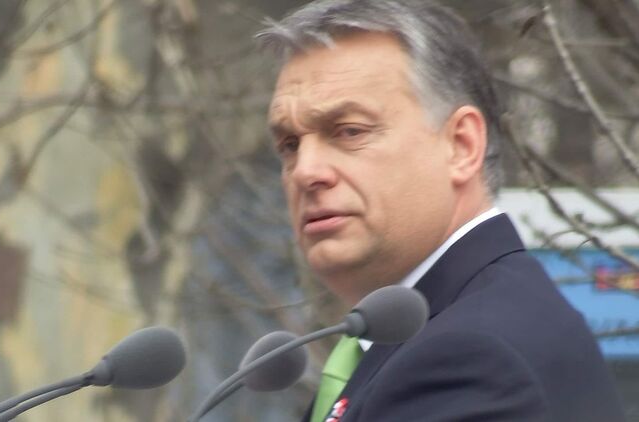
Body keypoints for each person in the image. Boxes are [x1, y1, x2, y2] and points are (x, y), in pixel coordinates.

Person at [257, 0, 625, 421]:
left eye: (349, 131)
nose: (306, 171)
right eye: (290, 145)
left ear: (461, 146)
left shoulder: (470, 354)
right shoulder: (431, 331)